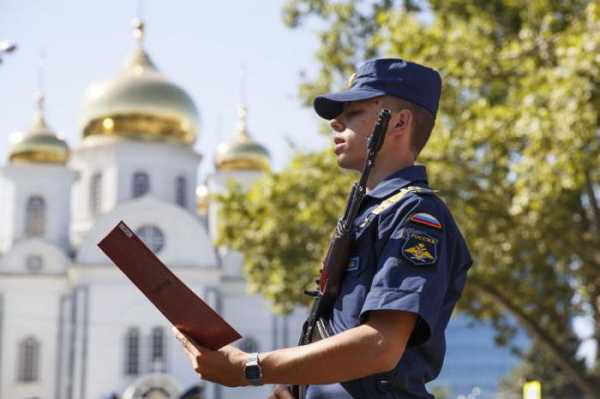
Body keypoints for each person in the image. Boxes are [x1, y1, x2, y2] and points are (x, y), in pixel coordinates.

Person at [173, 58, 473, 398]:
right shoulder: (369, 213)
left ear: (399, 122)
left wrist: (251, 367)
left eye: (354, 113)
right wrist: (294, 385)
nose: (335, 122)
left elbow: (380, 345)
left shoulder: (415, 214)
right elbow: (341, 328)